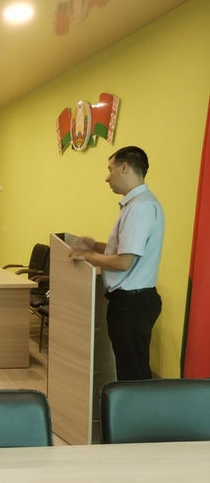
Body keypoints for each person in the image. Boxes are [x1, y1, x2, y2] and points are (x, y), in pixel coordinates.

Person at [69, 145, 164, 380]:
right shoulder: (136, 205)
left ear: (124, 168)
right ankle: (132, 403)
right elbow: (125, 250)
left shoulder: (140, 208)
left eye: (110, 169)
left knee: (132, 374)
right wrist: (94, 246)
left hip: (132, 304)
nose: (107, 177)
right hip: (131, 302)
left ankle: (134, 405)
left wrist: (87, 256)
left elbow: (123, 262)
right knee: (130, 368)